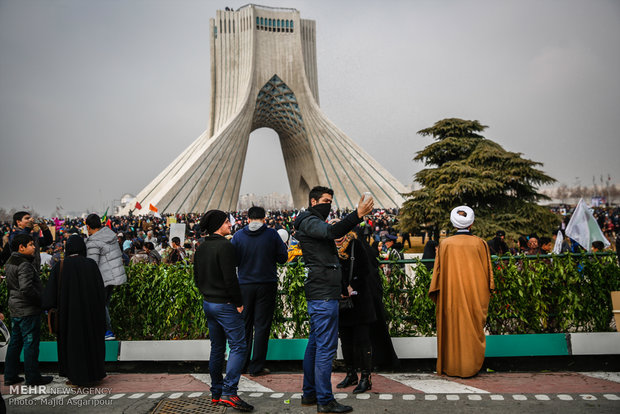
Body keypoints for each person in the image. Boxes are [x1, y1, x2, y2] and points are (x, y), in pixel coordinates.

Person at [294, 186, 373, 414]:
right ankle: (325, 400)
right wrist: (357, 215)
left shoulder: (310, 221)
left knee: (316, 344)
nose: (328, 205)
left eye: (331, 201)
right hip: (322, 294)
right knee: (325, 349)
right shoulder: (309, 220)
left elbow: (327, 252)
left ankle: (310, 394)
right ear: (313, 201)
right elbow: (332, 233)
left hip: (325, 290)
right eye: (325, 201)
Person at [194, 210, 253, 412]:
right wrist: (238, 302)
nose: (230, 224)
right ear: (219, 225)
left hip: (209, 303)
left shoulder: (201, 247)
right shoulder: (225, 246)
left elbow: (197, 277)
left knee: (217, 348)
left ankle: (216, 393)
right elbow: (231, 279)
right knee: (238, 346)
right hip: (225, 305)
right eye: (227, 222)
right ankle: (230, 392)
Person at [429, 206, 494, 378]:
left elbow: (437, 274)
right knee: (472, 330)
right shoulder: (480, 243)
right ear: (471, 223)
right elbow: (489, 275)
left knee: (451, 329)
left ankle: (452, 366)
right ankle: (471, 366)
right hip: (475, 296)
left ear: (453, 223)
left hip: (451, 297)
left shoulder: (445, 244)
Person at [42, 235, 106, 386]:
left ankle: (75, 377)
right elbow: (100, 291)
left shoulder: (61, 266)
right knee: (91, 342)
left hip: (68, 316)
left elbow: (51, 295)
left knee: (72, 345)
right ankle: (94, 375)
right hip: (91, 315)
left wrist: (47, 305)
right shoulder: (91, 264)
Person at [231, 206, 288, 377]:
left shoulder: (238, 236)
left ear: (248, 219)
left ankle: (241, 364)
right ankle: (257, 367)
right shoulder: (272, 235)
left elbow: (233, 259)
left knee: (244, 325)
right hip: (266, 284)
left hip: (244, 285)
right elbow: (283, 258)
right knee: (262, 326)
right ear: (264, 219)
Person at [4, 234, 53, 386]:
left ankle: (10, 375)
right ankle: (33, 377)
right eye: (31, 244)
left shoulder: (10, 261)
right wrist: (41, 301)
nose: (34, 247)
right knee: (30, 344)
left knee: (15, 343)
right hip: (28, 309)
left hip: (15, 308)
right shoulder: (24, 264)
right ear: (21, 247)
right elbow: (26, 288)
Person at [333, 226, 376, 394]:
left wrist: (352, 286)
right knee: (346, 340)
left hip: (359, 301)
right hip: (341, 302)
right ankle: (351, 374)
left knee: (363, 340)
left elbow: (365, 269)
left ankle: (366, 377)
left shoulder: (355, 245)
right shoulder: (329, 246)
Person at [85, 213, 127, 341]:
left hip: (102, 278)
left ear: (88, 226)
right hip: (113, 276)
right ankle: (104, 330)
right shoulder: (110, 235)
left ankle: (107, 331)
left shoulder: (93, 241)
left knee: (100, 305)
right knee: (104, 304)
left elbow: (92, 264)